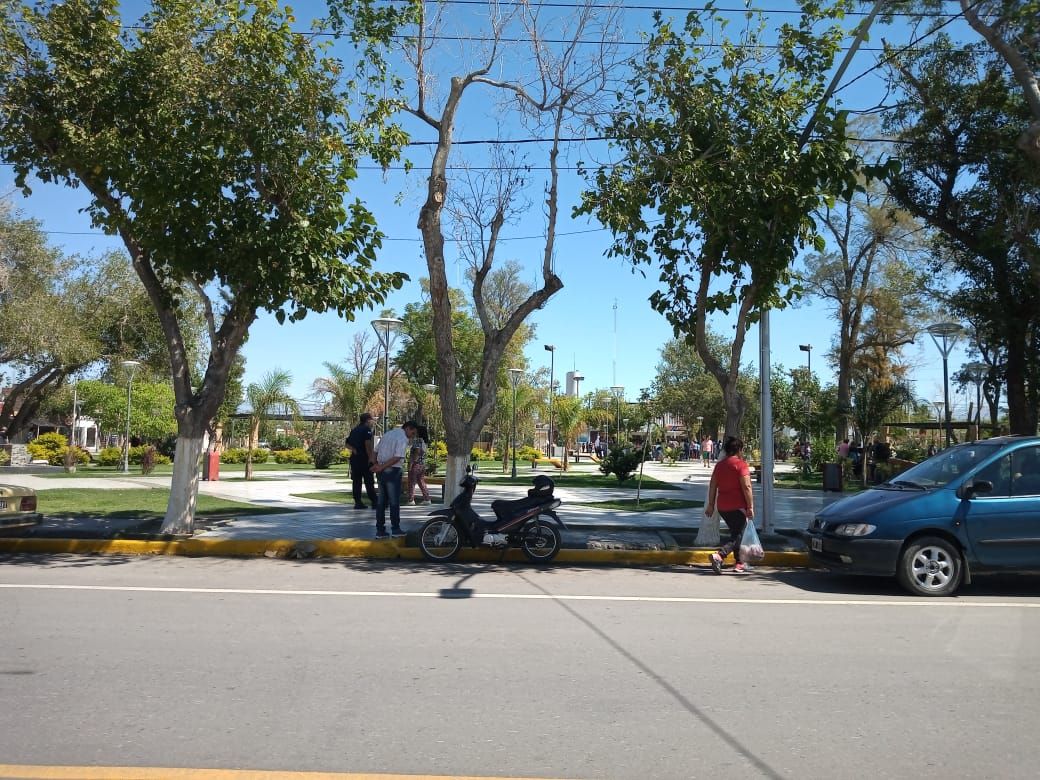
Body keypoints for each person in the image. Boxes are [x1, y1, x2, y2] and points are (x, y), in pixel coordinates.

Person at [706, 436, 755, 574]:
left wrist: (710, 505)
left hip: (723, 506)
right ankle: (720, 555)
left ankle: (739, 563)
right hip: (737, 506)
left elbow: (712, 486)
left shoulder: (720, 466)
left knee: (736, 532)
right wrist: (750, 507)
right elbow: (747, 487)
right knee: (739, 534)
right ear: (739, 450)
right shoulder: (741, 465)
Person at [372, 420, 418, 538]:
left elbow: (375, 451)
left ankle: (380, 530)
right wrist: (381, 466)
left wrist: (376, 464)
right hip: (393, 471)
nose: (412, 436)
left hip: (381, 471)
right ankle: (396, 529)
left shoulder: (388, 434)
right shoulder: (402, 438)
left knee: (381, 501)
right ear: (408, 428)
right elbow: (397, 456)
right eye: (413, 433)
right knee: (394, 501)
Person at [345, 412, 377, 510]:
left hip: (355, 459)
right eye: (372, 419)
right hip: (364, 459)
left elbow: (347, 443)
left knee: (356, 481)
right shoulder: (367, 430)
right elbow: (367, 445)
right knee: (369, 481)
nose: (373, 421)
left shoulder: (354, 430)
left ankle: (358, 502)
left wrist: (354, 450)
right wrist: (371, 458)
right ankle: (375, 501)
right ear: (368, 420)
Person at [406, 425, 432, 505]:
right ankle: (427, 499)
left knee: (411, 482)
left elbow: (416, 452)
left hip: (416, 464)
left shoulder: (417, 441)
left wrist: (411, 464)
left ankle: (411, 500)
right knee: (421, 481)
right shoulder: (425, 442)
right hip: (422, 464)